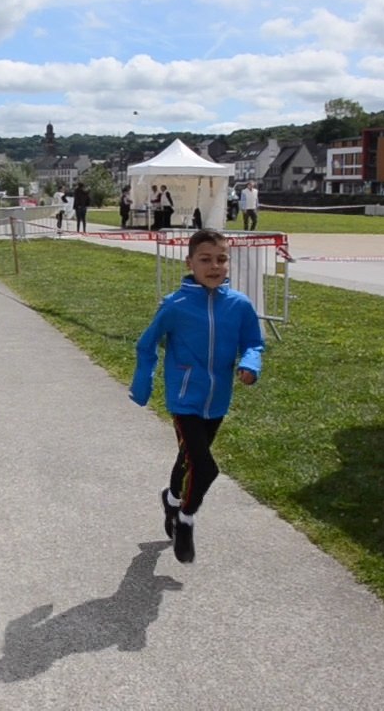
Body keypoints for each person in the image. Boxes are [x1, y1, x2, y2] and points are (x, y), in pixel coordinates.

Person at [128, 229, 264, 563]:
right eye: (205, 259)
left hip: (217, 400)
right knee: (205, 467)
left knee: (187, 459)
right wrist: (142, 386)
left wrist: (250, 364)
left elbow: (253, 342)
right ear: (190, 263)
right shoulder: (175, 305)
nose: (214, 266)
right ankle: (186, 519)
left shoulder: (240, 305)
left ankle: (172, 500)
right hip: (184, 398)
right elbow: (146, 344)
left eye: (221, 259)